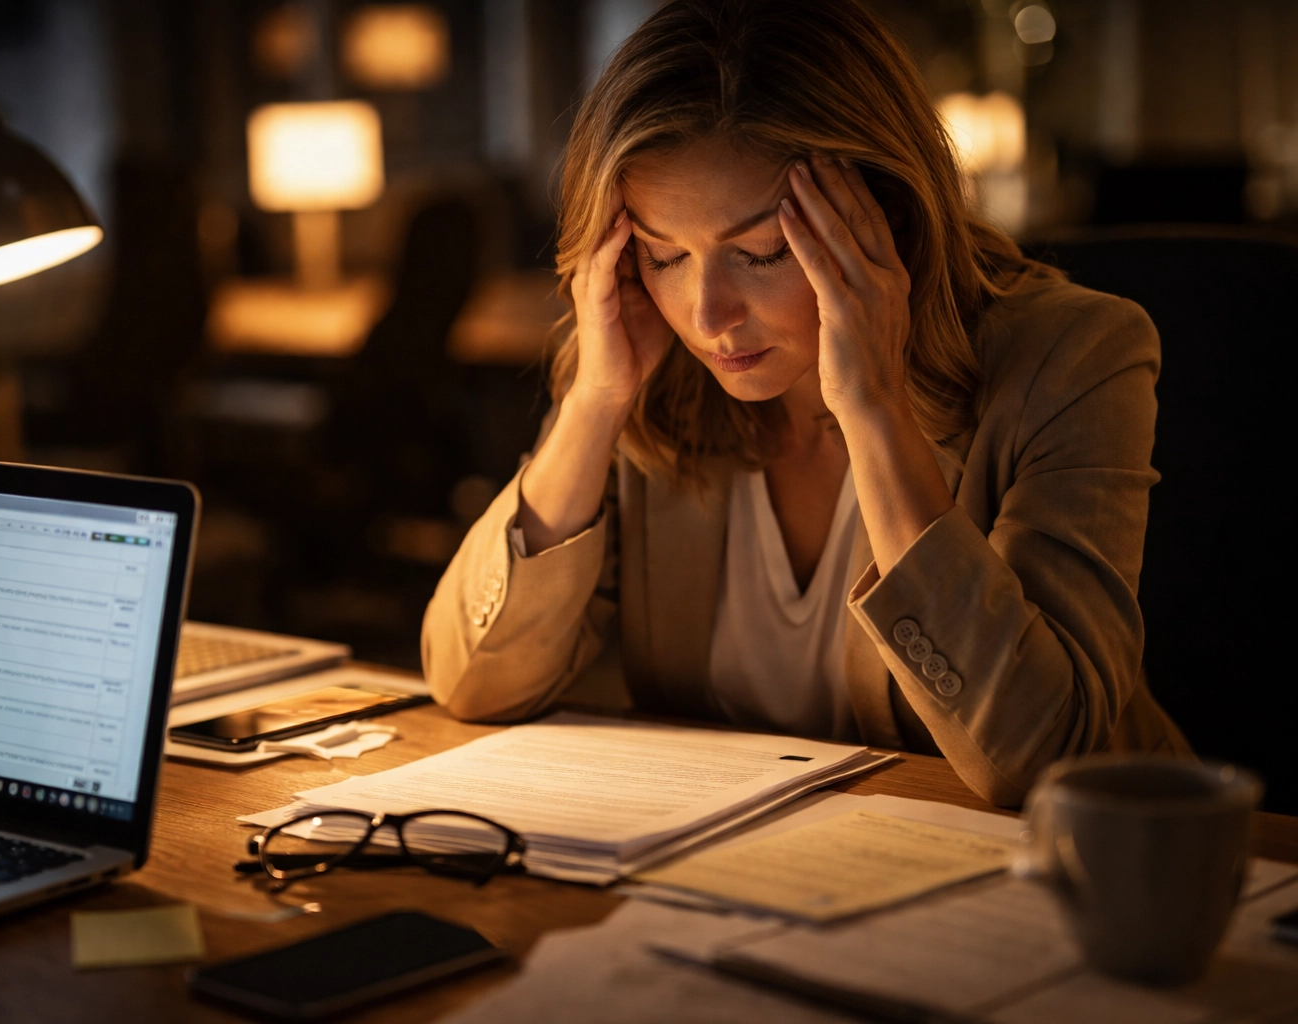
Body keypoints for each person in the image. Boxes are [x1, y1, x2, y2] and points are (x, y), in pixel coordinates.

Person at [421, 0, 1188, 805]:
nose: (708, 316)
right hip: (745, 867)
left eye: (762, 253)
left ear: (885, 215)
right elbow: (473, 684)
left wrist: (874, 407)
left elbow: (1042, 757)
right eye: (664, 255)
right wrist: (595, 403)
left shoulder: (1075, 355)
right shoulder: (651, 372)